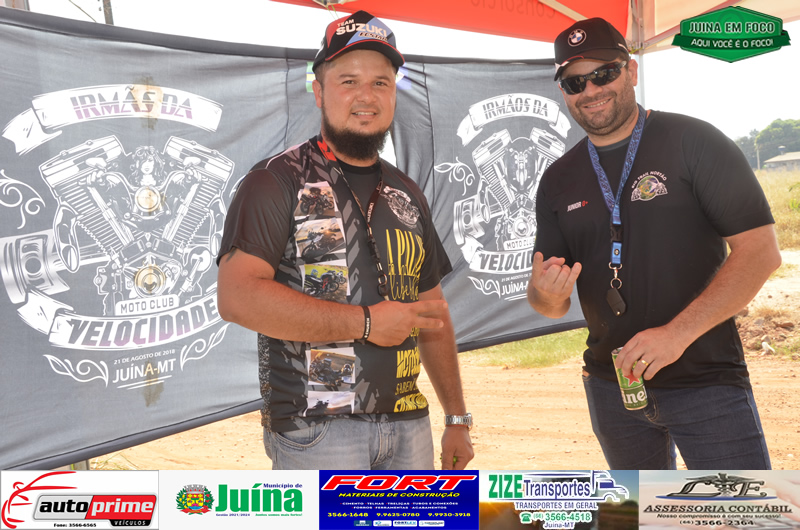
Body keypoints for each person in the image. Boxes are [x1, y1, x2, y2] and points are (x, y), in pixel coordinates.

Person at [216, 10, 473, 470]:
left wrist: (456, 417)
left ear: (394, 94)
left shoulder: (406, 191)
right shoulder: (276, 180)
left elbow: (432, 313)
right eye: (348, 81)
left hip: (410, 426)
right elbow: (237, 298)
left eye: (380, 83)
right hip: (317, 429)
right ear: (319, 91)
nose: (366, 96)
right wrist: (366, 323)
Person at [527, 17, 781, 469]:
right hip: (613, 388)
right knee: (640, 508)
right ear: (564, 91)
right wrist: (545, 295)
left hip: (706, 384)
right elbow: (547, 302)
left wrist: (675, 335)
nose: (590, 90)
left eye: (604, 73)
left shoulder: (694, 141)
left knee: (740, 507)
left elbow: (761, 252)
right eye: (575, 82)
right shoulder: (557, 179)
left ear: (631, 71)